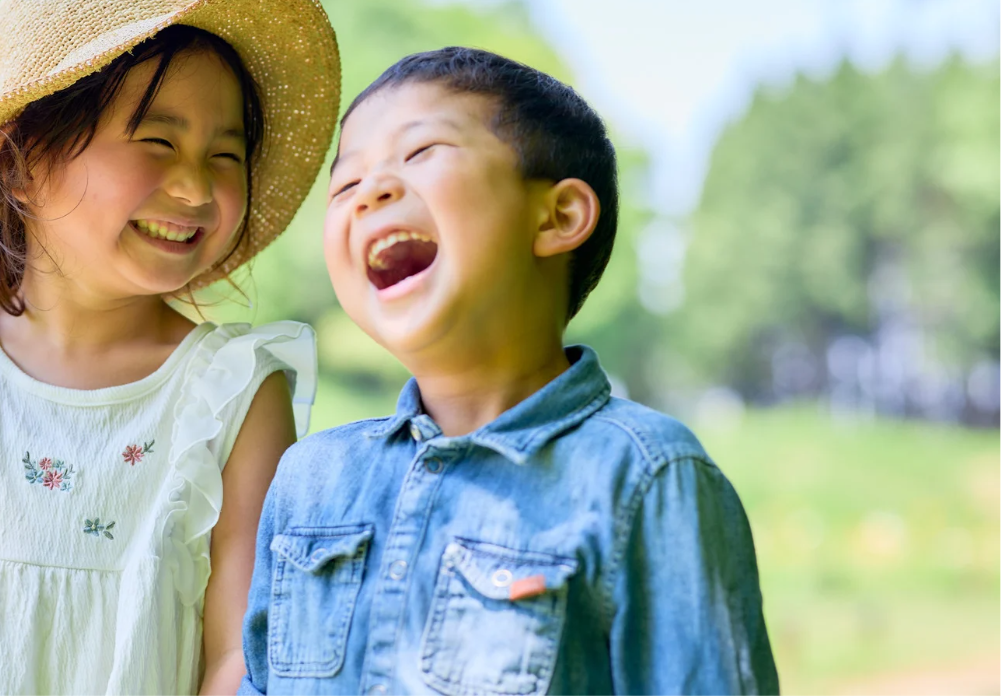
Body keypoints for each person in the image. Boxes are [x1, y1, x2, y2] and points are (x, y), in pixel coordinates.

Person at [0, 0, 339, 693]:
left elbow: (236, 658)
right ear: (23, 165)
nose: (194, 187)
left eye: (225, 155)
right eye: (158, 141)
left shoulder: (230, 397)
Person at [240, 47, 778, 695]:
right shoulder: (310, 479)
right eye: (346, 185)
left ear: (558, 216)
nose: (371, 192)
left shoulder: (646, 476)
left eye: (421, 152)